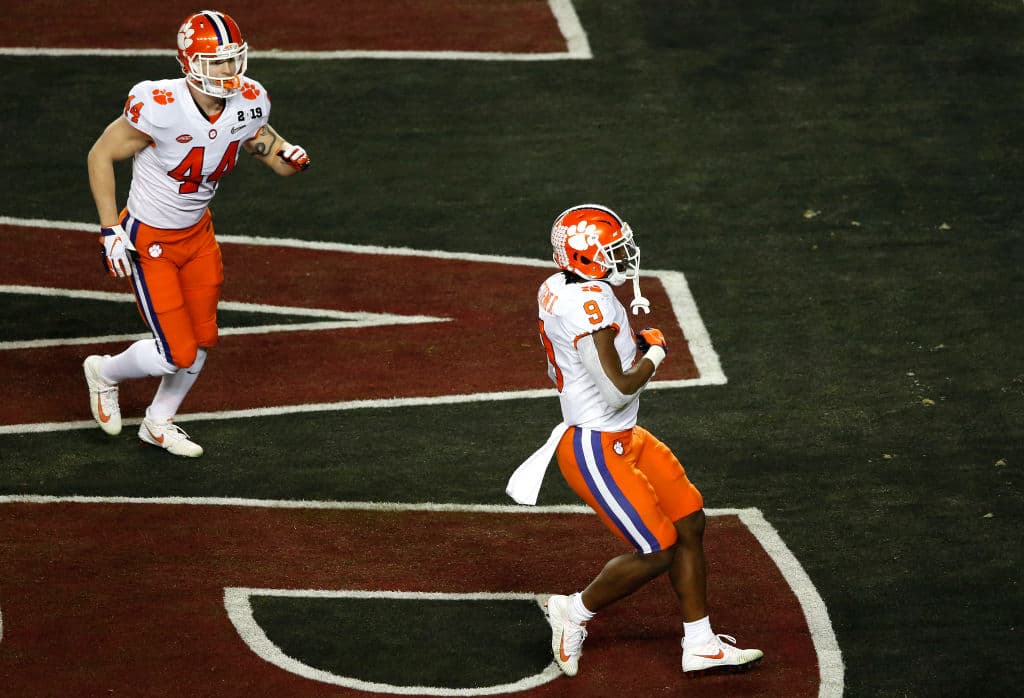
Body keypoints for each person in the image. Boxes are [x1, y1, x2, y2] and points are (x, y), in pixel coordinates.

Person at [514, 204, 763, 676]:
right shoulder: (585, 306)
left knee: (689, 523)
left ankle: (701, 643)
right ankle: (573, 611)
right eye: (611, 249)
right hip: (593, 446)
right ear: (585, 258)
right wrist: (656, 352)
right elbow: (616, 389)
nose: (622, 255)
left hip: (624, 437)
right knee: (658, 547)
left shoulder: (562, 285)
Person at [83, 10, 311, 457]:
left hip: (198, 235)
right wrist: (110, 227)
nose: (229, 71)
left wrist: (292, 157)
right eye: (217, 62)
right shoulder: (159, 107)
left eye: (233, 59)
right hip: (150, 240)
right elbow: (99, 155)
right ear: (189, 63)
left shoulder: (249, 102)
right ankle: (104, 372)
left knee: (204, 337)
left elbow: (271, 152)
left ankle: (158, 422)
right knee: (175, 352)